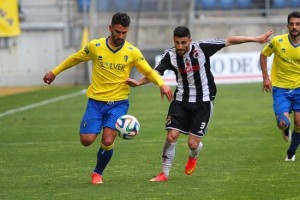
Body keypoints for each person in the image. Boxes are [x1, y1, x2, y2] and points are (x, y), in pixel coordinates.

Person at [126, 26, 273, 181]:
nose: (180, 46)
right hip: (181, 100)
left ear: (190, 40)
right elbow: (154, 73)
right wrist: (138, 82)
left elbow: (229, 40)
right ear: (173, 41)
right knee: (171, 136)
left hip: (203, 102)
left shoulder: (202, 48)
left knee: (193, 144)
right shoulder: (170, 55)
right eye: (177, 43)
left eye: (184, 42)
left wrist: (256, 39)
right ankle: (164, 173)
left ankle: (194, 155)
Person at [43, 12, 173, 184]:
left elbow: (149, 71)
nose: (120, 36)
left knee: (108, 138)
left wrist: (162, 84)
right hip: (95, 102)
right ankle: (97, 153)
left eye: (124, 33)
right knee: (86, 140)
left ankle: (97, 173)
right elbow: (75, 58)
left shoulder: (132, 52)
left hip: (118, 104)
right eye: (117, 32)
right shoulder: (95, 46)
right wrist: (55, 72)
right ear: (110, 28)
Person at [260, 11, 300, 162]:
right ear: (287, 25)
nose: (294, 27)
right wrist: (265, 77)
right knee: (283, 122)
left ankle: (291, 152)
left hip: (299, 88)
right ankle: (285, 128)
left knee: (299, 122)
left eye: (298, 24)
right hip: (281, 88)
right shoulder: (278, 41)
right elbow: (263, 55)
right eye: (292, 24)